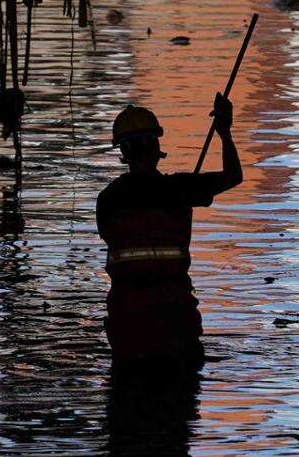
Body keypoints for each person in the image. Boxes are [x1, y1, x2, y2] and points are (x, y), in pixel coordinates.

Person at [96, 94, 243, 375]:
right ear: (156, 146)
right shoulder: (180, 190)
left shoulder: (107, 200)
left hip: (128, 331)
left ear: (123, 153)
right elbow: (233, 176)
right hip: (176, 327)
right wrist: (224, 131)